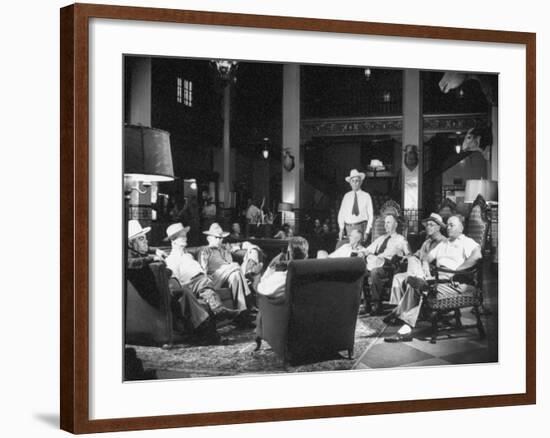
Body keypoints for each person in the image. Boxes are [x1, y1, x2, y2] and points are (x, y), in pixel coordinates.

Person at [385, 215, 482, 342]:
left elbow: (477, 255)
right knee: (414, 261)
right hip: (437, 278)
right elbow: (427, 257)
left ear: (461, 228)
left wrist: (458, 270)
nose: (448, 227)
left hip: (454, 282)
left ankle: (403, 322)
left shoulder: (465, 241)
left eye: (452, 225)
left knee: (415, 288)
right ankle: (421, 282)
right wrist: (425, 264)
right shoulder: (444, 243)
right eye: (447, 224)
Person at [126, 220, 217, 343]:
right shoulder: (128, 256)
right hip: (155, 298)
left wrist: (154, 251)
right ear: (132, 243)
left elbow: (147, 248)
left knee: (186, 292)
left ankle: (204, 329)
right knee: (185, 292)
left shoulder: (136, 250)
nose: (146, 241)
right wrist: (151, 257)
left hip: (164, 291)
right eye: (142, 239)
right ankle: (205, 330)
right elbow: (129, 263)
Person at [164, 223, 240, 322]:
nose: (185, 237)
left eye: (185, 235)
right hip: (189, 285)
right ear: (173, 241)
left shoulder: (188, 256)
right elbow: (176, 283)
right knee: (204, 280)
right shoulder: (172, 259)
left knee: (206, 280)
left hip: (203, 283)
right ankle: (218, 308)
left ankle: (217, 308)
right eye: (181, 236)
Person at [385, 213, 446, 322]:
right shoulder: (427, 242)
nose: (428, 227)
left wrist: (421, 262)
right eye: (427, 225)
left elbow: (441, 262)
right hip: (418, 271)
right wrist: (405, 257)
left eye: (431, 225)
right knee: (398, 277)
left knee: (411, 276)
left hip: (432, 273)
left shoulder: (444, 242)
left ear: (439, 227)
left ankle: (399, 312)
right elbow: (417, 254)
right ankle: (400, 310)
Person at [254, 237, 309, 350]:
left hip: (283, 317)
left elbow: (261, 289)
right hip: (309, 318)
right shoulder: (314, 272)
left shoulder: (283, 276)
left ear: (289, 252)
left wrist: (259, 273)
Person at [199, 223, 255, 319]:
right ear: (209, 238)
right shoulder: (205, 250)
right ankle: (249, 299)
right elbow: (203, 269)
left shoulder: (224, 250)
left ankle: (242, 313)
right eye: (216, 237)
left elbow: (230, 262)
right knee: (235, 266)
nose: (219, 240)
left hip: (228, 275)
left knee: (236, 274)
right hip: (214, 277)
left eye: (220, 238)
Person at [359, 214, 410, 315]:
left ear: (395, 225)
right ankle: (366, 303)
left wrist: (403, 257)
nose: (385, 225)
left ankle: (376, 304)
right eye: (385, 223)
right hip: (376, 262)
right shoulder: (381, 238)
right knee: (360, 271)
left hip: (389, 266)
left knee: (375, 272)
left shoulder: (400, 239)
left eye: (388, 222)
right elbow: (368, 249)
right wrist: (362, 252)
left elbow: (409, 254)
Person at [338, 169, 374, 242]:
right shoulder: (346, 196)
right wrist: (341, 229)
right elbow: (341, 213)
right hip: (348, 229)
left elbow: (371, 215)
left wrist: (367, 232)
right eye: (353, 181)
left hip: (361, 228)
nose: (355, 183)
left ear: (360, 182)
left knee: (358, 251)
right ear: (350, 183)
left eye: (357, 181)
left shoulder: (366, 196)